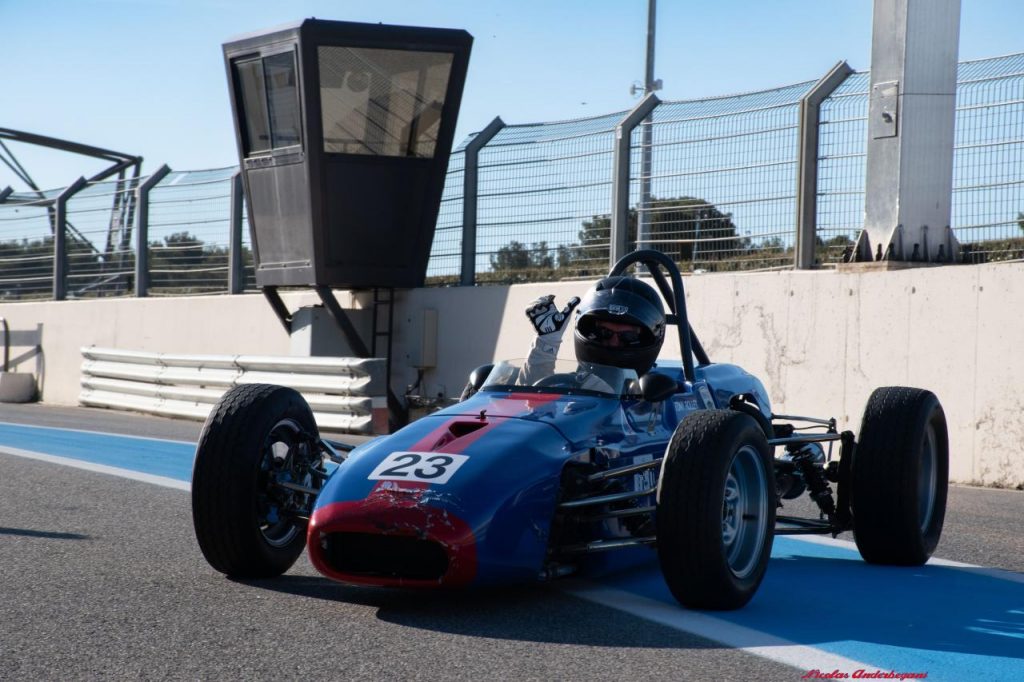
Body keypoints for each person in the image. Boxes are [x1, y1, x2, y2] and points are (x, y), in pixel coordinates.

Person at [521, 275, 666, 389]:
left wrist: (591, 387)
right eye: (604, 332)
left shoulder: (656, 396)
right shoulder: (574, 383)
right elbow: (527, 407)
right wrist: (546, 343)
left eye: (627, 336)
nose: (614, 343)